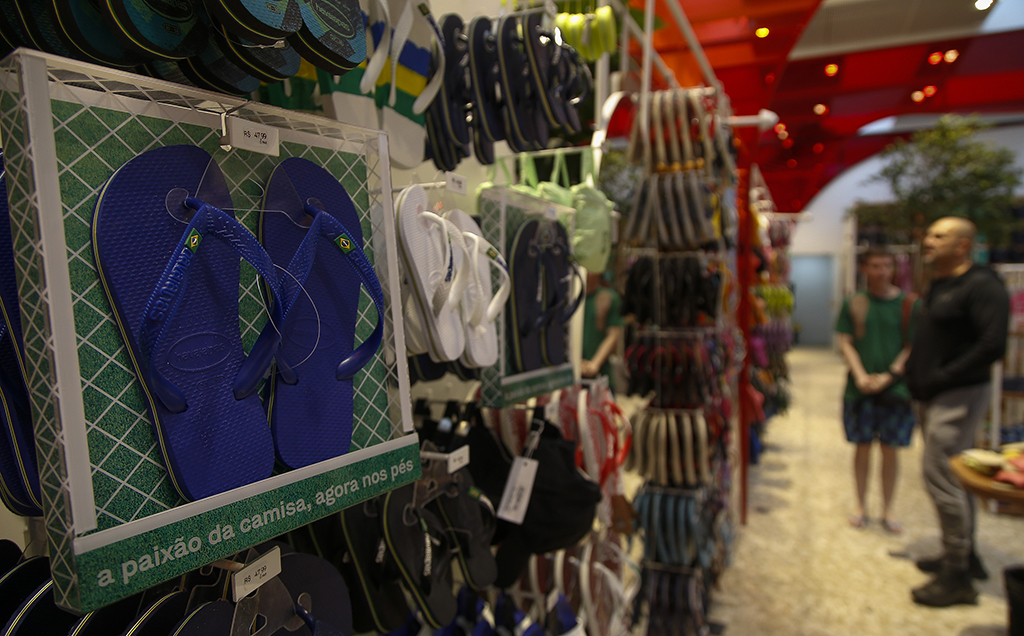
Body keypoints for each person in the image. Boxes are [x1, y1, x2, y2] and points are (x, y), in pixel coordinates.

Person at [906, 216, 1009, 607]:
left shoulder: (982, 285)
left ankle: (957, 577)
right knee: (956, 478)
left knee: (941, 476)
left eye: (939, 235)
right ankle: (966, 557)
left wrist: (942, 377)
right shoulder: (942, 284)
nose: (928, 241)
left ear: (963, 245)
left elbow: (992, 345)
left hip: (958, 394)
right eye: (929, 234)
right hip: (934, 394)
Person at [835, 247, 918, 535]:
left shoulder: (909, 304)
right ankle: (860, 504)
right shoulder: (854, 302)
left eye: (886, 265)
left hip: (895, 389)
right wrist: (860, 375)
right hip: (859, 390)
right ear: (864, 269)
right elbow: (845, 341)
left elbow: (912, 345)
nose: (881, 271)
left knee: (891, 449)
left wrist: (890, 375)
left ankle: (888, 508)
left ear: (894, 269)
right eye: (875, 266)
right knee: (861, 447)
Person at [581, 271, 624, 380]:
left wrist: (595, 364)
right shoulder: (567, 299)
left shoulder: (608, 297)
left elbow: (613, 334)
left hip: (600, 375)